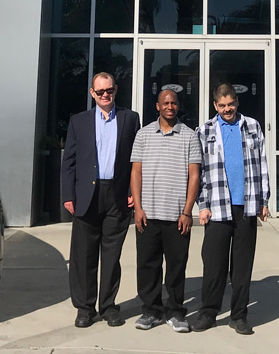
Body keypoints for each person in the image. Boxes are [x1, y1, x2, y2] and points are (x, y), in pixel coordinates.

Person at [61, 71, 140, 329]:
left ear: (116, 90)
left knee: (111, 255)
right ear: (92, 93)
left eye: (110, 90)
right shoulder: (79, 121)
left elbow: (135, 161)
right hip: (87, 196)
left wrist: (133, 192)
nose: (105, 95)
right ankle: (84, 308)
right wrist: (68, 195)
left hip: (116, 196)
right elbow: (69, 162)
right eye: (100, 92)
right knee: (83, 256)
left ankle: (108, 306)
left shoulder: (130, 119)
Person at [190, 82, 271, 335]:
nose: (227, 109)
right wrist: (201, 205)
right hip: (216, 208)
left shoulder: (253, 127)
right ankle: (208, 313)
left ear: (237, 102)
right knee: (214, 266)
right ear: (215, 105)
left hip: (246, 206)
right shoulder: (204, 131)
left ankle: (239, 315)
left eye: (231, 104)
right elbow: (198, 171)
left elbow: (263, 164)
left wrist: (264, 201)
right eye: (222, 105)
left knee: (242, 266)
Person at [129, 88, 202, 333]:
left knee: (176, 267)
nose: (170, 107)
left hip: (177, 216)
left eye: (174, 103)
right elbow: (135, 172)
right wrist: (138, 208)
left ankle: (176, 312)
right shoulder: (143, 134)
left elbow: (194, 176)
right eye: (165, 103)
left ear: (178, 106)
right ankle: (151, 311)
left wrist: (187, 211)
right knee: (148, 266)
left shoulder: (190, 136)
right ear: (158, 106)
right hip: (148, 214)